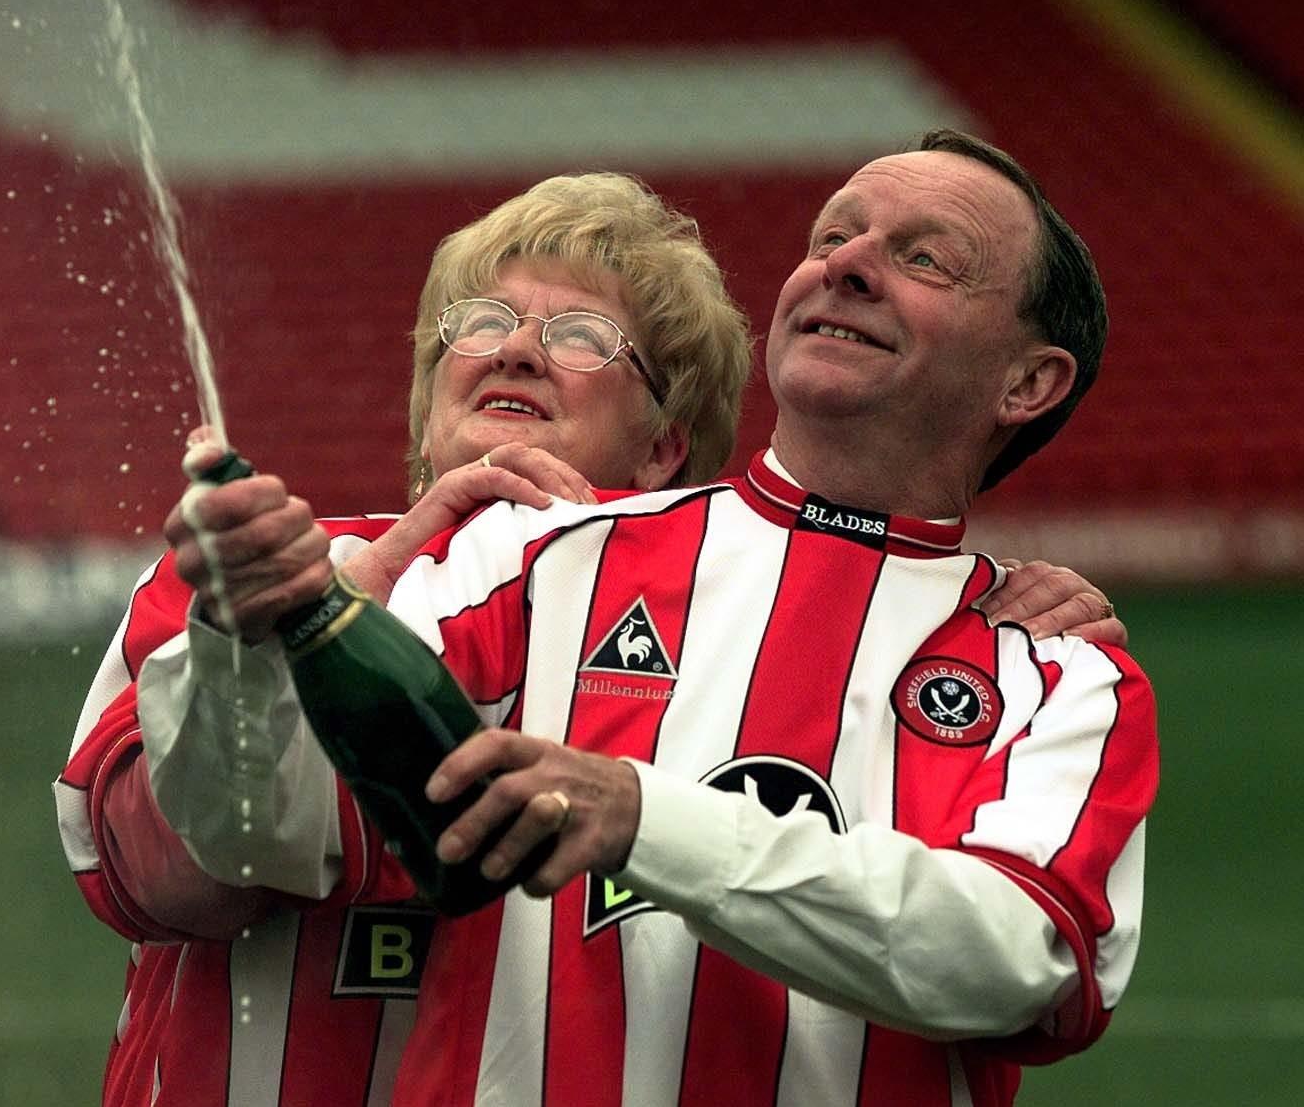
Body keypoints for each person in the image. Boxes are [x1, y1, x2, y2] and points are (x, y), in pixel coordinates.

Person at [55, 153, 1136, 1107]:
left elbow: (1021, 960)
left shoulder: (1055, 667)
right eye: (831, 235)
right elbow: (217, 846)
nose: (515, 352)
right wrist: (263, 630)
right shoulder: (503, 565)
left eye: (580, 337)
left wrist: (640, 817)